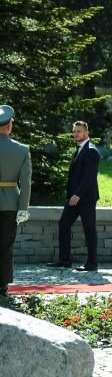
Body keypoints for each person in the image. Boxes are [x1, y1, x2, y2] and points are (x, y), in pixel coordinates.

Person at [48, 121, 99, 271]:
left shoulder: (91, 150)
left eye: (79, 131)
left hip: (86, 198)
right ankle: (64, 260)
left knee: (89, 229)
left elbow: (89, 177)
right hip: (73, 199)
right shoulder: (79, 149)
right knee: (63, 224)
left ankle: (92, 263)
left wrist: (78, 194)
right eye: (74, 131)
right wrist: (71, 195)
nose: (76, 134)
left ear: (86, 133)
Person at [0, 105, 31, 297]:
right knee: (5, 247)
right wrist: (23, 208)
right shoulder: (22, 150)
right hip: (10, 204)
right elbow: (25, 182)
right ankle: (2, 286)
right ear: (9, 126)